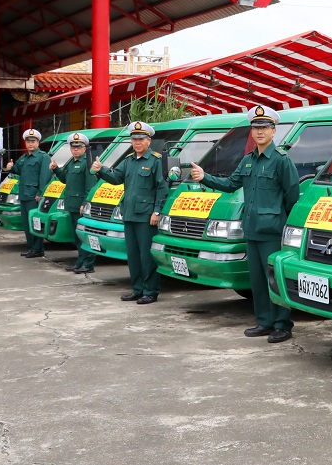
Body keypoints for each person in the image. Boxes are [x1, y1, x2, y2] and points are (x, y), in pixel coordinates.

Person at [190, 106, 300, 343]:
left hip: (272, 231)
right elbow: (231, 184)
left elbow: (292, 197)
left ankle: (282, 324)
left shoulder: (281, 161)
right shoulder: (248, 160)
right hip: (251, 229)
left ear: (273, 131)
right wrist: (205, 177)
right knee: (258, 280)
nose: (259, 132)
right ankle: (264, 322)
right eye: (256, 127)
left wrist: (284, 227)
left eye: (264, 127)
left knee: (274, 279)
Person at [93, 121, 167, 304]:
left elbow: (162, 188)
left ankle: (150, 291)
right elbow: (116, 178)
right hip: (129, 214)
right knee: (133, 255)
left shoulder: (155, 161)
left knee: (147, 256)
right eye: (134, 139)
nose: (137, 143)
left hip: (146, 216)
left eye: (141, 139)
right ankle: (137, 289)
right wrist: (100, 170)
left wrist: (157, 212)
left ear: (149, 141)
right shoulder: (129, 161)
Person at [51, 132, 96, 274]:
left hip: (80, 206)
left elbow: (90, 187)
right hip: (71, 204)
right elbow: (65, 178)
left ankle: (88, 264)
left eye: (79, 147)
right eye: (73, 147)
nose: (75, 149)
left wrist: (85, 203)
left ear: (84, 148)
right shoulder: (72, 161)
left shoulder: (86, 163)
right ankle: (80, 262)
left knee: (84, 236)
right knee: (77, 237)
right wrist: (56, 169)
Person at [6, 128, 53, 258]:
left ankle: (38, 248)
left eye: (33, 141)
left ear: (38, 142)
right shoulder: (24, 157)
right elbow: (17, 170)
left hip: (34, 196)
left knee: (35, 222)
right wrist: (11, 167)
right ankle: (31, 247)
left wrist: (40, 193)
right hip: (24, 195)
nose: (30, 144)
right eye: (28, 141)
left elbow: (45, 177)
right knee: (27, 224)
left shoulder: (43, 157)